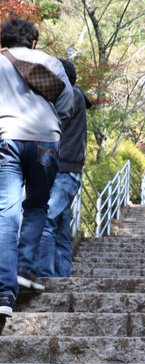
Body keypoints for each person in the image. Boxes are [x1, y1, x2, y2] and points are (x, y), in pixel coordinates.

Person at [0, 17, 74, 327]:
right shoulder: (50, 61)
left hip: (7, 137)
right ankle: (26, 269)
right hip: (47, 141)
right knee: (37, 206)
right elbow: (68, 102)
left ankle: (4, 293)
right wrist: (50, 125)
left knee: (6, 211)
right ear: (33, 41)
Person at [36, 59, 92, 278]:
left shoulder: (72, 96)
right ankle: (62, 277)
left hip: (65, 171)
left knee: (47, 219)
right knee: (60, 226)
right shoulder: (75, 96)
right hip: (63, 170)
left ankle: (45, 277)